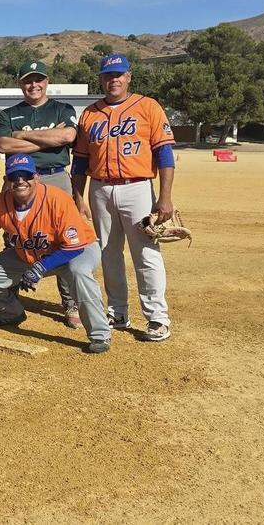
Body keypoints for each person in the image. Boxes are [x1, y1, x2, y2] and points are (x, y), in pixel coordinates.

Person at [0, 154, 111, 353]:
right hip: (29, 253)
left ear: (36, 178)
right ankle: (12, 313)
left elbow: (74, 245)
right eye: (14, 176)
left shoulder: (57, 199)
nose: (21, 181)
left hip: (77, 250)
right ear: (6, 180)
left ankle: (100, 334)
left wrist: (40, 267)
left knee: (78, 272)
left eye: (26, 175)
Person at [71, 53, 177, 342]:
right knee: (108, 252)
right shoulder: (90, 114)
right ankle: (118, 311)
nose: (113, 80)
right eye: (107, 75)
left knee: (146, 251)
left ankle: (157, 317)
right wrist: (77, 195)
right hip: (100, 188)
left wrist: (164, 197)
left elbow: (165, 153)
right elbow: (80, 161)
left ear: (129, 76)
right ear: (101, 79)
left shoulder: (148, 107)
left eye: (118, 74)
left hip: (138, 187)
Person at [0, 60, 81, 328]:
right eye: (28, 80)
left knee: (65, 240)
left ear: (47, 81)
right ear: (20, 83)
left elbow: (66, 138)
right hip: (18, 179)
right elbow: (3, 143)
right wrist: (46, 139)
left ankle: (71, 304)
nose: (34, 85)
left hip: (55, 176)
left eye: (38, 79)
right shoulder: (9, 114)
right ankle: (10, 296)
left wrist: (24, 137)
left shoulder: (63, 108)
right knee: (14, 235)